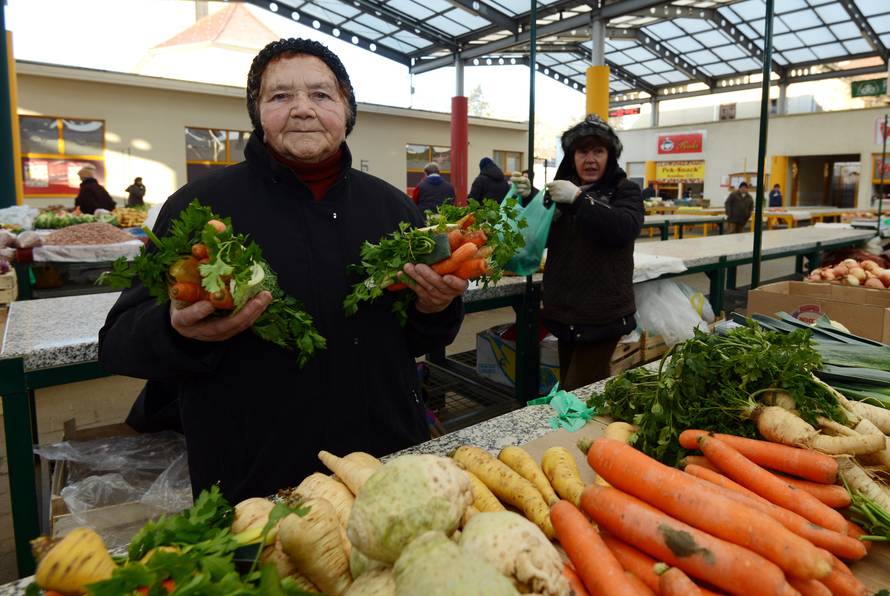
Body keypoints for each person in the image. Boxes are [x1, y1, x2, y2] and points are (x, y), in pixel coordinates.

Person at [98, 38, 467, 503]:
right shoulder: (198, 207)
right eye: (280, 96)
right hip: (255, 480)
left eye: (320, 94)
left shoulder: (393, 208)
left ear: (347, 109)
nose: (302, 109)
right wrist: (177, 333)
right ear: (257, 114)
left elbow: (426, 337)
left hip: (383, 465)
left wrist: (435, 307)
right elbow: (116, 343)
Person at [511, 115, 643, 391]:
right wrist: (530, 199)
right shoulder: (561, 192)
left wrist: (579, 200)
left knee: (575, 392)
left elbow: (624, 228)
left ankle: (579, 434)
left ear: (611, 156)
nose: (590, 158)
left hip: (602, 316)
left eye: (598, 151)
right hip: (565, 313)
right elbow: (541, 235)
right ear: (572, 157)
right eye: (583, 151)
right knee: (579, 392)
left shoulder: (624, 191)